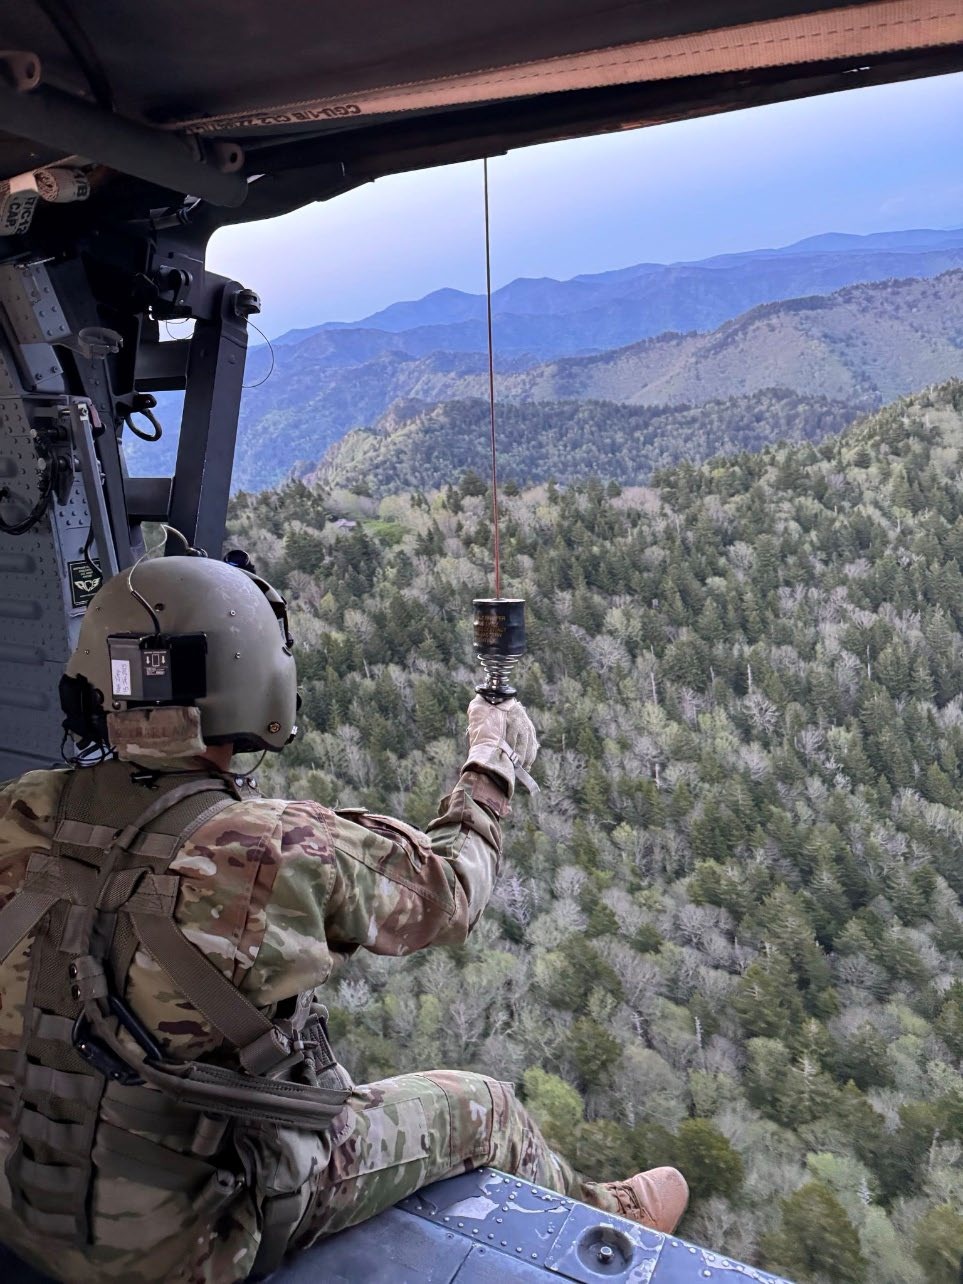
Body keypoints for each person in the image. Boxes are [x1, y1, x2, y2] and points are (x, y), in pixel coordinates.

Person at [0, 553, 687, 1284]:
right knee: (484, 1108)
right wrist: (491, 758)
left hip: (16, 1206)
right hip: (180, 1250)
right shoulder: (278, 845)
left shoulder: (20, 808)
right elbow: (453, 891)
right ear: (256, 681)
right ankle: (608, 1217)